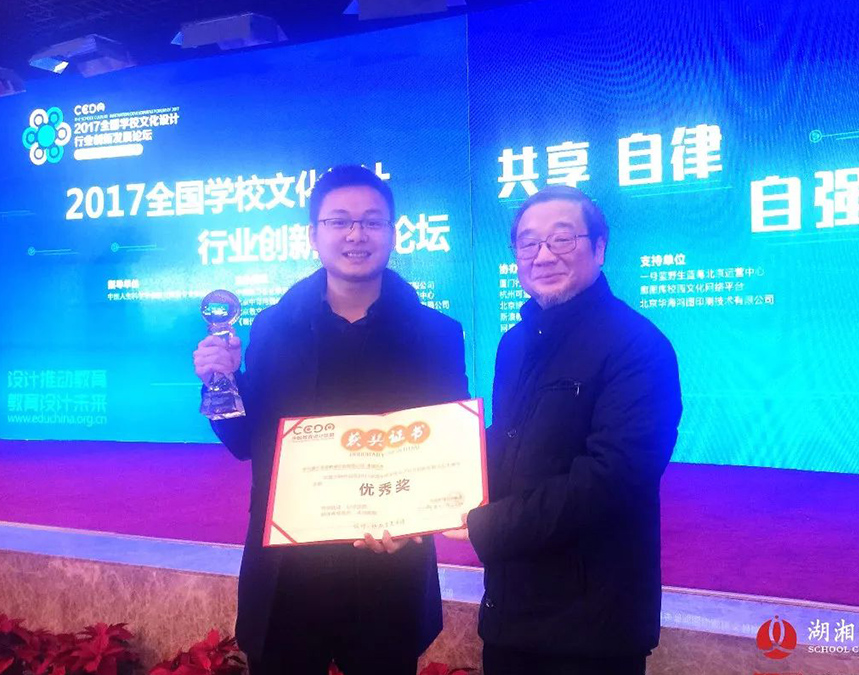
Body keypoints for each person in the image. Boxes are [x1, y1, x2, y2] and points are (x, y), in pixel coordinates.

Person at [193, 165, 468, 675]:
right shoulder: (274, 328)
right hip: (288, 572)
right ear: (313, 234)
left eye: (372, 221)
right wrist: (219, 382)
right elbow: (246, 442)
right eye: (339, 221)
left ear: (392, 232)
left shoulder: (437, 335)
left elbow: (447, 453)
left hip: (389, 570)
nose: (356, 234)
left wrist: (416, 520)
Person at [444, 186, 683, 674]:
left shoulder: (638, 346)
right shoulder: (515, 344)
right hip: (511, 611)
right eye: (528, 243)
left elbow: (612, 476)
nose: (544, 255)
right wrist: (436, 488)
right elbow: (508, 441)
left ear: (599, 247)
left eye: (562, 238)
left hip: (592, 626)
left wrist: (488, 525)